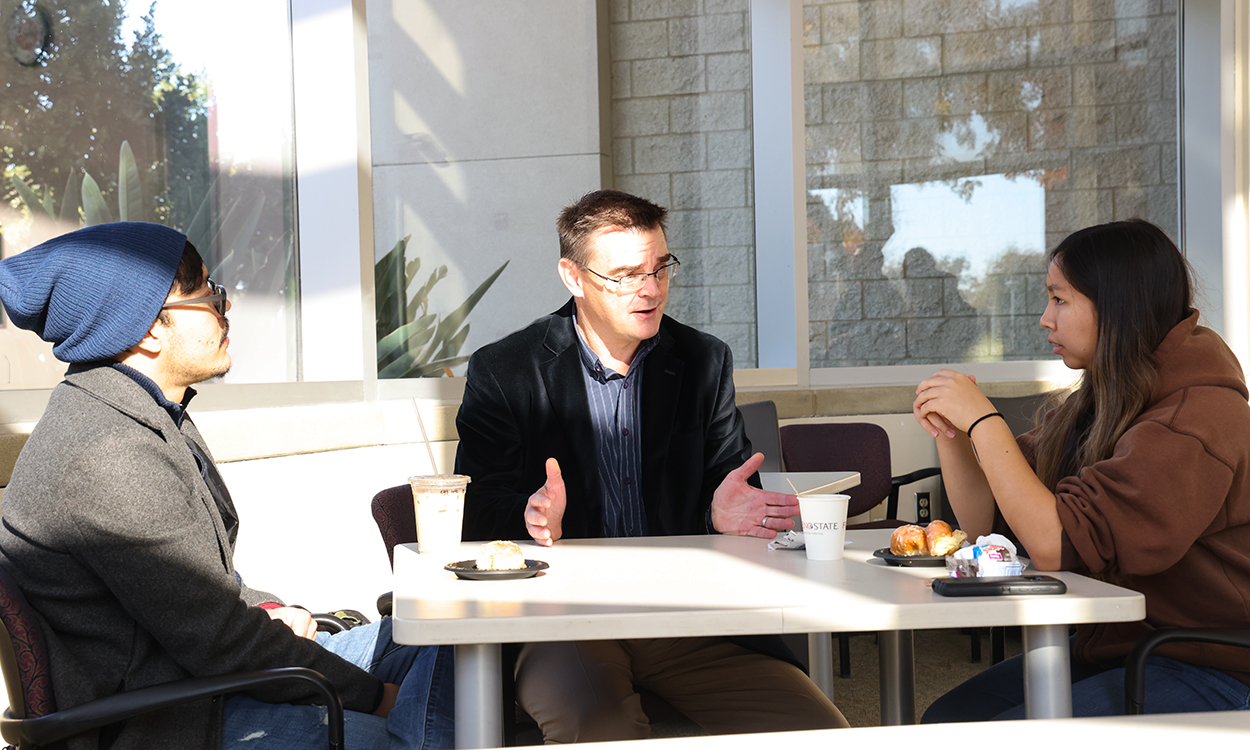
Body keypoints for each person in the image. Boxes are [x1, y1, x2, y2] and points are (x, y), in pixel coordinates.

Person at [0, 222, 454, 749]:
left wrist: (266, 609)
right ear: (148, 328)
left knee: (445, 636)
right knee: (428, 721)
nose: (225, 308)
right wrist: (377, 697)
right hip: (175, 721)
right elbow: (218, 639)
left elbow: (202, 593)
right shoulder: (108, 455)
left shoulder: (141, 413)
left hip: (202, 681)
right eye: (207, 295)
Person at [454, 189, 848, 742]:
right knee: (601, 728)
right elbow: (473, 511)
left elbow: (731, 488)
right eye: (625, 274)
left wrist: (720, 512)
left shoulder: (702, 361)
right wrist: (529, 514)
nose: (651, 289)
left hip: (687, 616)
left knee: (818, 732)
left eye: (661, 268)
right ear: (572, 276)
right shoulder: (505, 370)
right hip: (562, 620)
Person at [912, 219, 1250, 720]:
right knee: (947, 722)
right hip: (1120, 648)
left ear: (1118, 306)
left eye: (1060, 300)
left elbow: (1055, 543)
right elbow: (984, 520)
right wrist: (955, 436)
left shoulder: (1196, 421)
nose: (1045, 319)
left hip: (1213, 666)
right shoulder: (1104, 397)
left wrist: (985, 421)